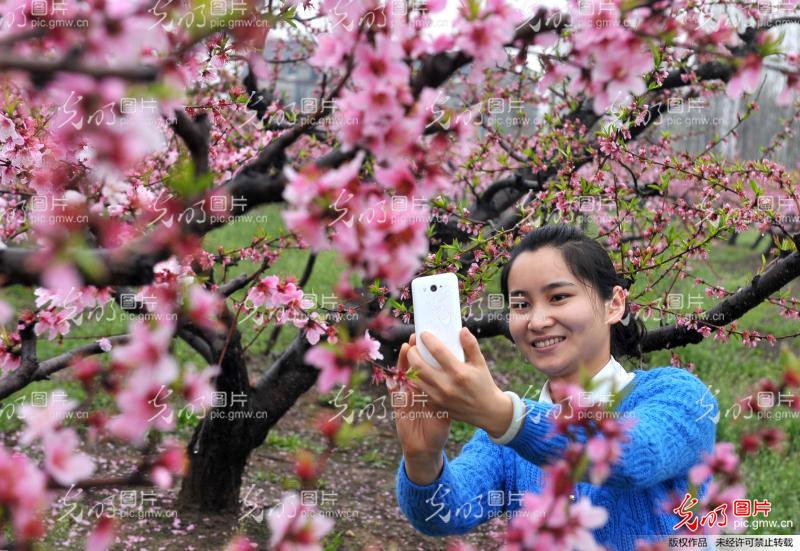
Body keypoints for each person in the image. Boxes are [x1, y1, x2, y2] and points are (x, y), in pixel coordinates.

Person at [392, 224, 719, 551]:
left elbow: (637, 456)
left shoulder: (680, 396)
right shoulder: (503, 441)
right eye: (521, 305)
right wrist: (423, 459)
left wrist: (508, 418)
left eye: (558, 297)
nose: (537, 321)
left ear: (614, 304)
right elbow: (445, 514)